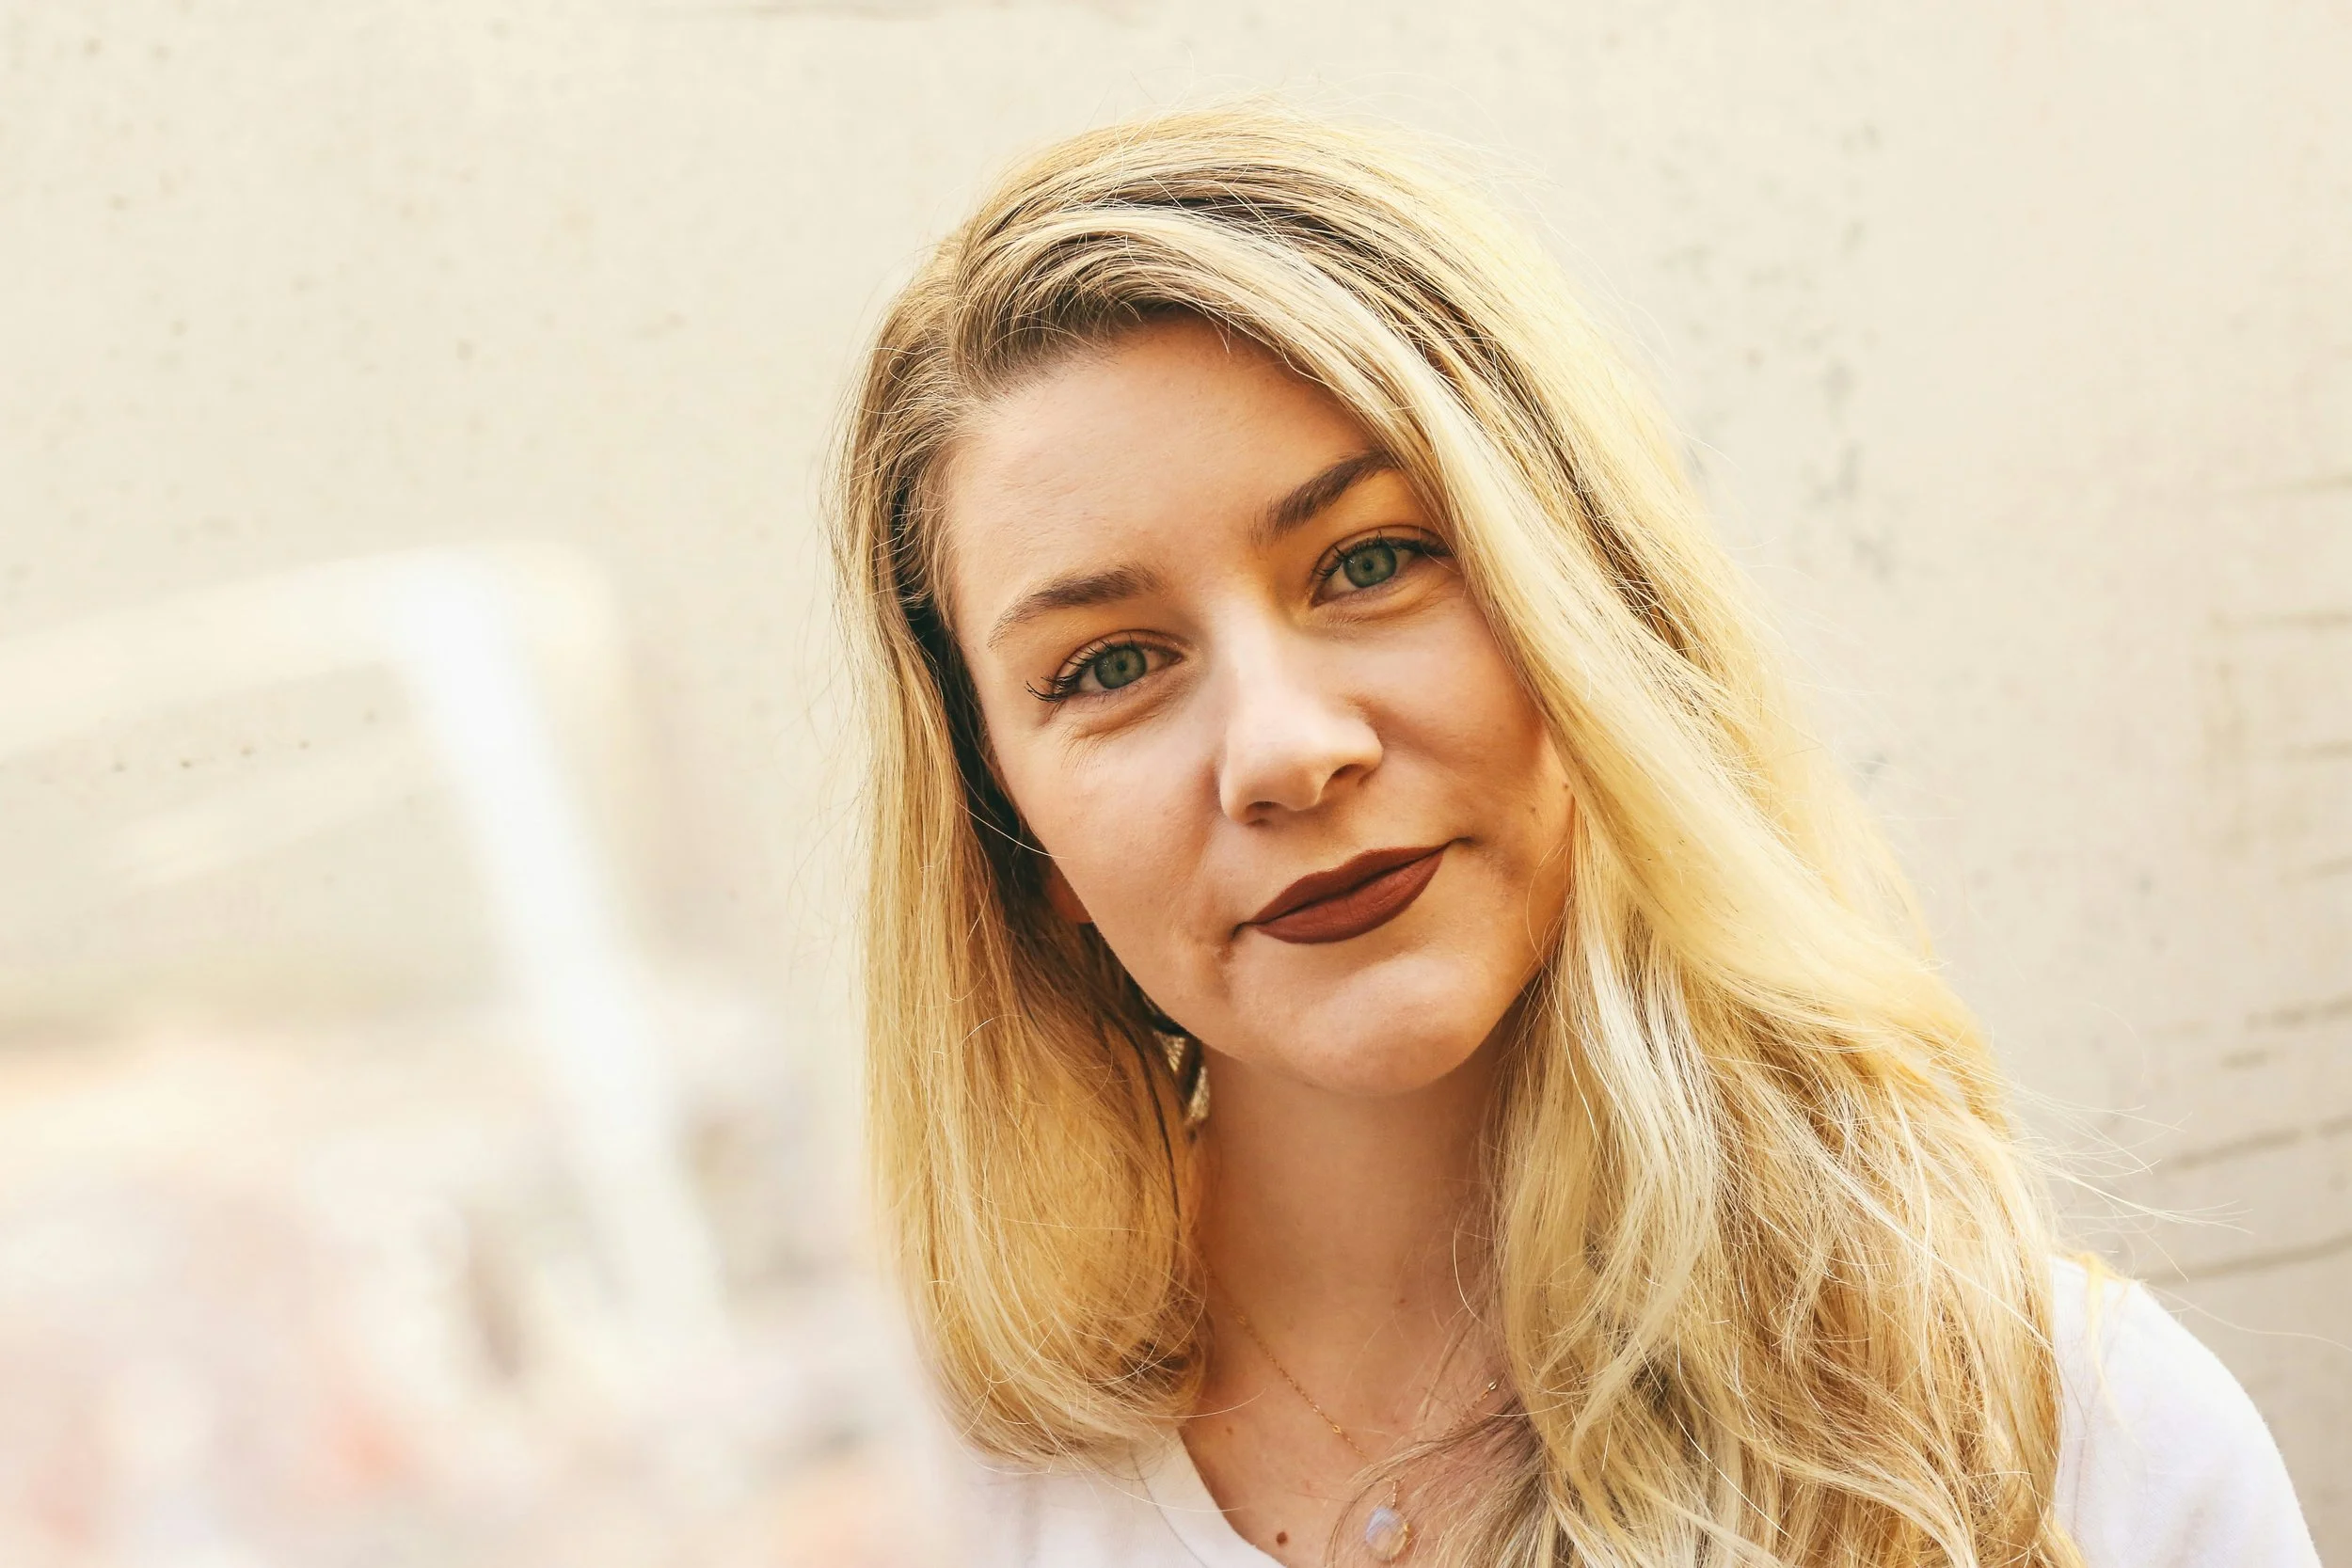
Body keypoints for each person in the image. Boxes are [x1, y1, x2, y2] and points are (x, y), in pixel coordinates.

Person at [825, 103, 2321, 1568]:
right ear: (1009, 825)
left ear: (1597, 604)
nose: (1285, 749)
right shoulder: (872, 1497)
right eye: (1108, 666)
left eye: (1372, 561)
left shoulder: (2078, 1448)